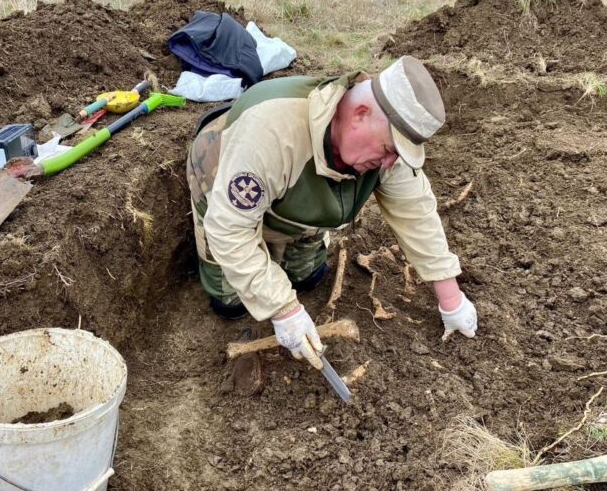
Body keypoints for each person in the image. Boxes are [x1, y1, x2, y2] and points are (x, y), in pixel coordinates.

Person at [186, 55, 477, 370]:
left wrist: (451, 297)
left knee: (309, 279)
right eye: (390, 150)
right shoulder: (271, 133)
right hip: (221, 179)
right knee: (232, 303)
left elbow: (416, 212)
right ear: (360, 114)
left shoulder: (384, 146)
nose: (390, 164)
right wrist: (283, 309)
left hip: (297, 200)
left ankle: (289, 239)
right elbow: (229, 228)